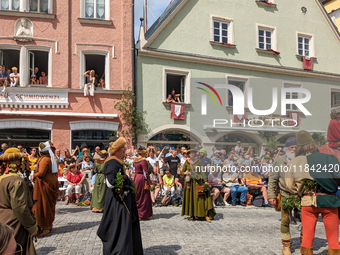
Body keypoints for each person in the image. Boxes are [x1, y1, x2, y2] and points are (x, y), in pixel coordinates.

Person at [285, 131, 340, 255]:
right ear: (313, 144)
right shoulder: (327, 157)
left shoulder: (293, 162)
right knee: (333, 239)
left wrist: (301, 191)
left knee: (307, 238)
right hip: (329, 201)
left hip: (307, 201)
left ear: (298, 147)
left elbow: (290, 186)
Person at [97, 137, 143, 255]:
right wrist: (127, 177)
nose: (125, 149)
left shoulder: (116, 161)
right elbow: (111, 182)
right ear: (117, 149)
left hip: (121, 200)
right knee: (118, 226)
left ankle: (125, 249)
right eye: (123, 147)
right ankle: (119, 250)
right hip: (117, 201)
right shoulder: (112, 162)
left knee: (122, 226)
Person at [0, 148, 37, 255]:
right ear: (18, 163)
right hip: (14, 222)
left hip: (2, 220)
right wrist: (32, 226)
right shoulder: (17, 181)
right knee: (14, 249)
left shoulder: (1, 178)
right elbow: (20, 208)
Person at [268, 137, 298, 255]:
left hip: (301, 195)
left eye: (296, 147)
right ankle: (286, 245)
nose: (294, 149)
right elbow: (273, 179)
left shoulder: (302, 159)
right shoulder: (279, 161)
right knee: (285, 220)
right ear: (286, 149)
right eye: (292, 147)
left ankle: (304, 240)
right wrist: (271, 195)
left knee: (305, 220)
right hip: (285, 194)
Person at [32, 141, 59, 238]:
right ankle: (48, 225)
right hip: (50, 182)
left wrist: (33, 176)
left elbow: (41, 173)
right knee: (48, 205)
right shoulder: (51, 158)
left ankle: (45, 227)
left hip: (45, 184)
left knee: (43, 205)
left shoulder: (45, 160)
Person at [181, 149, 216, 222]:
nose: (192, 154)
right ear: (188, 155)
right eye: (190, 153)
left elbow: (202, 172)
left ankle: (204, 214)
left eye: (193, 153)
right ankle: (192, 214)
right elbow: (182, 172)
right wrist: (185, 173)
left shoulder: (198, 161)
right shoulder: (186, 162)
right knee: (191, 198)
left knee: (200, 197)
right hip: (189, 184)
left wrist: (206, 182)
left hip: (197, 182)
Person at [133, 147, 154, 220]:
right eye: (145, 153)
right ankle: (142, 214)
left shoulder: (135, 160)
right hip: (141, 178)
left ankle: (137, 213)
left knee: (137, 195)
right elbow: (146, 172)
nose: (146, 154)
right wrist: (150, 182)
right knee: (143, 196)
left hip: (136, 178)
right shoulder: (143, 161)